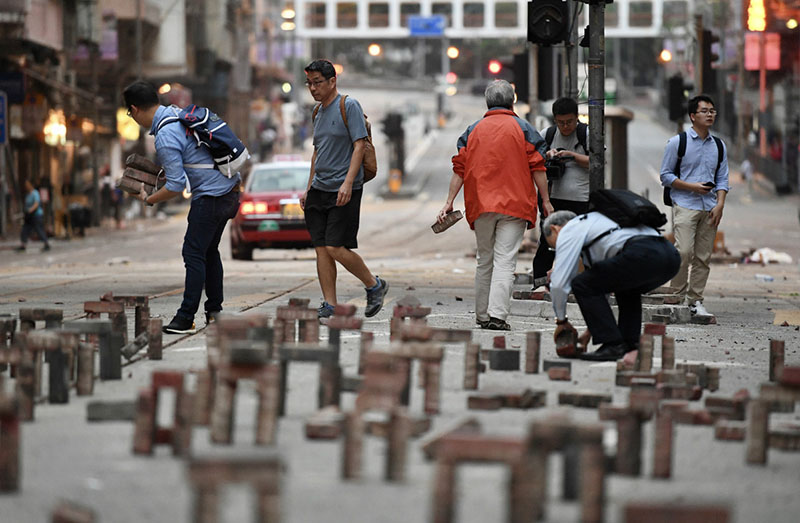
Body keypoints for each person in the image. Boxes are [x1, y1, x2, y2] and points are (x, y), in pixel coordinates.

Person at [123, 80, 241, 334]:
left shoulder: (165, 135)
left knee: (193, 253)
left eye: (130, 114)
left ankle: (186, 317)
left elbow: (176, 186)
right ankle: (215, 312)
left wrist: (148, 199)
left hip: (211, 197)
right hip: (230, 191)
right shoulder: (177, 113)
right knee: (209, 251)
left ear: (134, 109)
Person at [437, 79, 552, 331]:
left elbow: (459, 169)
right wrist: (545, 201)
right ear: (512, 102)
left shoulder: (473, 131)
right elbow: (538, 167)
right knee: (505, 261)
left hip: (481, 205)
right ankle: (497, 316)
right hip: (515, 205)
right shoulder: (524, 129)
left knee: (484, 259)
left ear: (487, 102)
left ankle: (482, 315)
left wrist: (449, 202)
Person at [299, 59, 389, 320]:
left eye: (317, 83)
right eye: (309, 83)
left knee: (335, 247)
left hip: (343, 188)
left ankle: (374, 284)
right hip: (319, 189)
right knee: (321, 249)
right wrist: (308, 188)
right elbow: (317, 152)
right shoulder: (317, 111)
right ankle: (330, 304)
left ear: (332, 81)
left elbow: (359, 145)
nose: (313, 88)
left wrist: (348, 183)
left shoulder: (348, 105)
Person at [544, 210, 680, 361]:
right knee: (626, 288)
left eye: (555, 246)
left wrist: (561, 322)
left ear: (555, 229)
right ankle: (629, 344)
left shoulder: (571, 228)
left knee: (581, 283)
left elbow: (559, 284)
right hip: (670, 257)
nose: (559, 249)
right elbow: (604, 287)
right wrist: (590, 332)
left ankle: (613, 345)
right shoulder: (600, 222)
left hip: (643, 253)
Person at [659, 94, 729, 319]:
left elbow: (722, 179)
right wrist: (692, 187)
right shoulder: (677, 142)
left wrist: (720, 204)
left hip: (710, 207)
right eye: (704, 111)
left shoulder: (719, 145)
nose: (710, 115)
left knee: (703, 256)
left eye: (712, 111)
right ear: (692, 116)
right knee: (684, 251)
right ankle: (676, 295)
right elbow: (665, 176)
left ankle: (695, 301)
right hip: (685, 204)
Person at [532, 97, 590, 283]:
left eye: (569, 122)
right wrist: (548, 156)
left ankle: (579, 281)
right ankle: (540, 282)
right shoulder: (547, 135)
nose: (565, 127)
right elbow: (534, 162)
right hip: (553, 198)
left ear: (576, 117)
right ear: (555, 119)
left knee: (580, 242)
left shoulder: (586, 134)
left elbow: (597, 162)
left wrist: (572, 156)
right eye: (561, 122)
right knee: (547, 241)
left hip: (581, 199)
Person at [16, 180, 51, 252]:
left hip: (36, 215)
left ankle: (46, 244)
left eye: (27, 184)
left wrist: (30, 210)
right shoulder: (28, 194)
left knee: (39, 230)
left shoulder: (35, 193)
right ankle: (23, 245)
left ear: (31, 185)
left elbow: (36, 204)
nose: (26, 186)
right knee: (25, 230)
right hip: (29, 216)